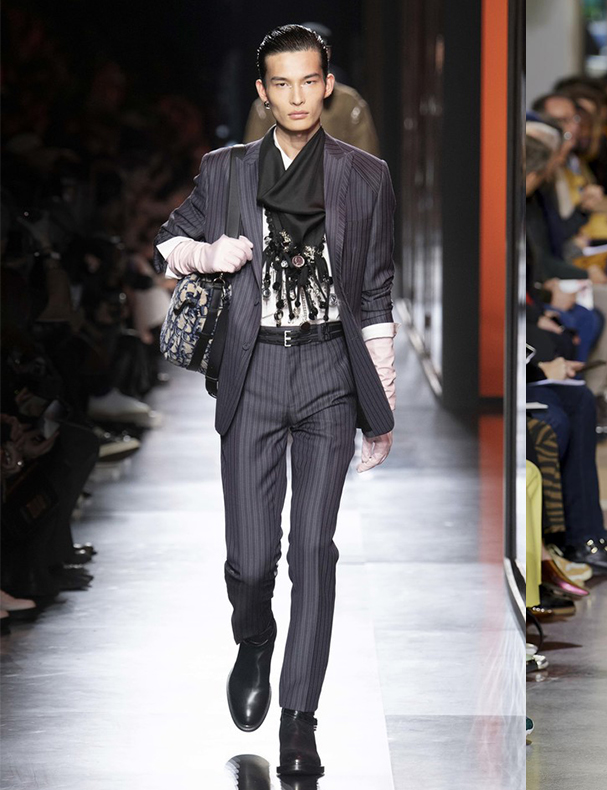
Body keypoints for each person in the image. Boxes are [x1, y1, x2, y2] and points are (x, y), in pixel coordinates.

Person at [153, 25, 398, 778]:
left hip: (329, 371)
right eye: (281, 84)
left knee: (314, 551)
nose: (297, 97)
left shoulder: (365, 176)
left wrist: (381, 403)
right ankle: (254, 637)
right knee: (252, 559)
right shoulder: (225, 169)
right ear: (263, 92)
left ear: (328, 85)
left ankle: (300, 719)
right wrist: (208, 254)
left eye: (309, 81)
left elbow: (376, 293)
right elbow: (167, 246)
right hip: (252, 369)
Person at [242, 23, 379, 157]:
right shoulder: (264, 105)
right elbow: (251, 160)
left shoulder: (349, 102)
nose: (297, 99)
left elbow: (366, 161)